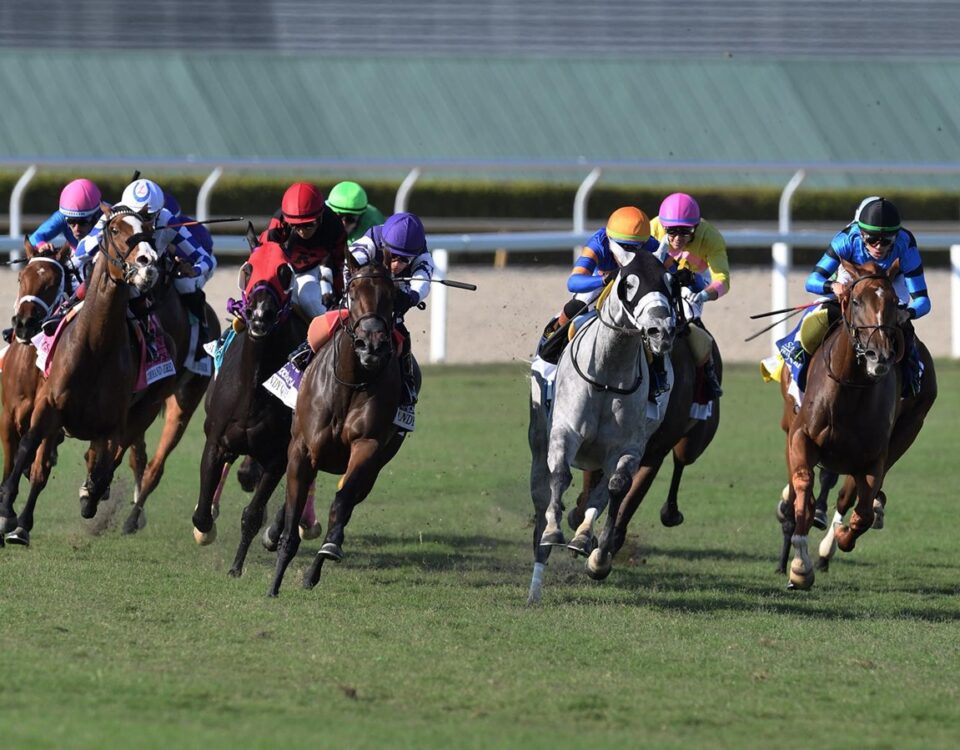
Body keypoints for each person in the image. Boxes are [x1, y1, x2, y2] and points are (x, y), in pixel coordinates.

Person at [67, 179, 216, 363]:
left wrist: (194, 269)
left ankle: (189, 335)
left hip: (149, 277)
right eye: (135, 214)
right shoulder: (116, 215)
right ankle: (60, 314)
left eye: (147, 216)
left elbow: (205, 259)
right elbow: (82, 252)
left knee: (175, 286)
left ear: (159, 212)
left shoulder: (167, 220)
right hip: (116, 273)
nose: (139, 221)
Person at [798, 197, 930, 395]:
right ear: (860, 234)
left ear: (896, 237)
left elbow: (923, 300)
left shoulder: (906, 245)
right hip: (852, 276)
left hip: (890, 281)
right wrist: (832, 286)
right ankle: (794, 356)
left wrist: (908, 314)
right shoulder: (845, 240)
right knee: (818, 315)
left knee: (901, 326)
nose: (879, 246)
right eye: (871, 239)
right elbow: (812, 281)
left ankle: (911, 377)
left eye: (886, 241)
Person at [537, 206, 660, 366]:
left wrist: (684, 274)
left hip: (634, 282)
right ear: (610, 240)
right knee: (575, 307)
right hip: (601, 280)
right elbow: (573, 282)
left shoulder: (650, 244)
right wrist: (604, 280)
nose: (628, 253)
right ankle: (552, 338)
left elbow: (672, 267)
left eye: (635, 248)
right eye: (624, 247)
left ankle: (659, 370)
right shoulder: (598, 243)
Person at [347, 212, 435, 406]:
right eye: (393, 257)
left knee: (399, 329)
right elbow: (352, 261)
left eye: (405, 260)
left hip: (391, 295)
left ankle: (407, 381)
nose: (397, 265)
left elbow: (423, 279)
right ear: (384, 246)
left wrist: (410, 297)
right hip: (362, 292)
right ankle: (303, 357)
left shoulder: (422, 252)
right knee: (327, 317)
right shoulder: (372, 239)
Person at [649, 192, 728, 399]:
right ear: (663, 226)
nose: (677, 239)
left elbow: (723, 280)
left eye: (685, 232)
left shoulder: (710, 237)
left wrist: (705, 295)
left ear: (696, 227)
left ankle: (708, 371)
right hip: (658, 279)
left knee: (690, 319)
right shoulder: (653, 227)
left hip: (692, 284)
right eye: (672, 232)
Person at [260, 182, 346, 318]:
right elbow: (264, 259)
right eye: (296, 226)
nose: (302, 231)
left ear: (320, 216)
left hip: (310, 271)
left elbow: (338, 264)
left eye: (308, 225)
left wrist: (339, 295)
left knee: (309, 299)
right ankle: (226, 337)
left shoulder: (335, 227)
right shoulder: (278, 224)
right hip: (280, 272)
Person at [29, 178, 102, 254]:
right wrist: (42, 245)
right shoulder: (62, 216)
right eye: (71, 221)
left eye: (82, 222)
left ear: (96, 216)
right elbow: (34, 238)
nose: (76, 228)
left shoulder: (107, 216)